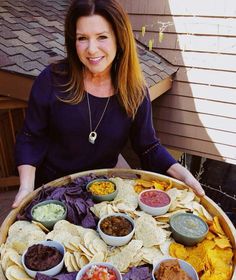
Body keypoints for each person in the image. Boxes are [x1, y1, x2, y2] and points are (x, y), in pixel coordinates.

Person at [12, 0, 204, 208]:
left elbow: (148, 147)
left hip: (102, 192)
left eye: (102, 37)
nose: (92, 49)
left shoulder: (136, 91)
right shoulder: (52, 79)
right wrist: (26, 187)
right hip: (51, 189)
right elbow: (31, 136)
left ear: (119, 38)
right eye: (82, 38)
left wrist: (183, 175)